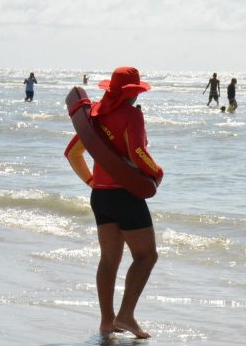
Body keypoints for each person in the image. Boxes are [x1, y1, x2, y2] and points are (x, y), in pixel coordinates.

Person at [64, 66, 163, 339]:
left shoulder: (95, 114)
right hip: (125, 195)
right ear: (132, 92)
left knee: (109, 259)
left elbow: (73, 153)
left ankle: (107, 322)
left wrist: (91, 182)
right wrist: (157, 173)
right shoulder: (131, 114)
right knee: (146, 256)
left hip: (101, 197)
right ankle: (126, 316)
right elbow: (137, 152)